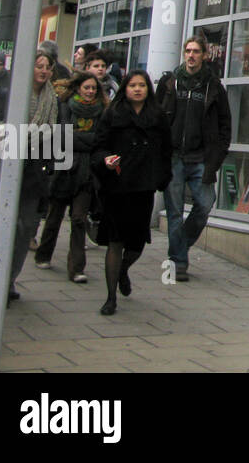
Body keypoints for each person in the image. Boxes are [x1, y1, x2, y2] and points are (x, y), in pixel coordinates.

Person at [90, 69, 171, 315]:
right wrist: (106, 160)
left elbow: (166, 150)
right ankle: (111, 297)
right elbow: (98, 147)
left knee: (136, 243)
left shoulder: (157, 116)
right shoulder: (112, 114)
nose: (137, 89)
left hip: (143, 186)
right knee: (115, 241)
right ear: (125, 89)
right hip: (117, 185)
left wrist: (161, 177)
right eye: (133, 85)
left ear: (148, 89)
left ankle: (124, 269)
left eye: (142, 85)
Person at [157, 36, 232, 281]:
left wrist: (217, 157)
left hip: (201, 157)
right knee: (175, 211)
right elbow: (157, 118)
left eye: (196, 51)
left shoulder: (213, 86)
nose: (191, 55)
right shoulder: (170, 83)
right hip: (174, 157)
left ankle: (179, 246)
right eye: (188, 51)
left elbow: (224, 125)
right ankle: (178, 261)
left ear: (204, 55)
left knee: (204, 204)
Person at [35, 70, 106, 282]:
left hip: (87, 173)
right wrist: (84, 140)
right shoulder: (65, 106)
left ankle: (76, 269)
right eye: (87, 88)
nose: (90, 92)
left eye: (93, 88)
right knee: (54, 216)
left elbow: (100, 139)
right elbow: (63, 136)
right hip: (63, 168)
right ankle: (43, 254)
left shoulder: (102, 111)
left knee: (78, 219)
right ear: (77, 88)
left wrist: (78, 138)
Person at [8, 52, 58, 302]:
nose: (43, 71)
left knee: (26, 226)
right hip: (10, 161)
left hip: (35, 168)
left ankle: (10, 280)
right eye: (39, 66)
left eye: (48, 67)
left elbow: (52, 132)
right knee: (6, 224)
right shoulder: (16, 90)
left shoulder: (52, 97)